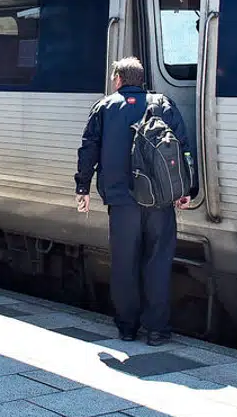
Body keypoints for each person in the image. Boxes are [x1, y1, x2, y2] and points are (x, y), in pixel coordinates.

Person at [74, 56, 194, 345]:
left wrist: (83, 188)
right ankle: (156, 330)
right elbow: (183, 148)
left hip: (122, 203)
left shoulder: (104, 107)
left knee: (124, 265)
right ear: (141, 80)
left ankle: (127, 328)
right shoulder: (163, 104)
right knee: (158, 264)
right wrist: (188, 190)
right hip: (159, 202)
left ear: (118, 80)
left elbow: (88, 149)